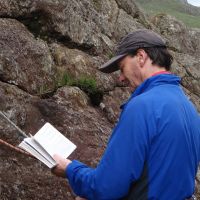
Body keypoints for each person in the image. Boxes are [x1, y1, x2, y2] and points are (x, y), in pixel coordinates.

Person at [52, 29, 200, 200]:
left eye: (122, 68)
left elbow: (106, 188)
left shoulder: (142, 106)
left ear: (141, 56)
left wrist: (70, 169)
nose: (121, 78)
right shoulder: (189, 109)